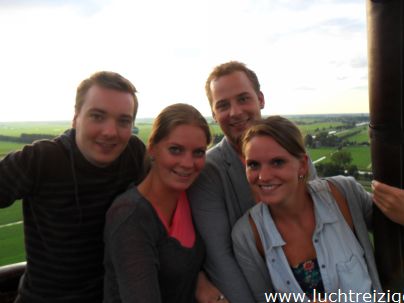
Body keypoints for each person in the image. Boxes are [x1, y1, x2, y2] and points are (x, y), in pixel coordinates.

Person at [0, 71, 148, 303]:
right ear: (76, 118)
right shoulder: (41, 159)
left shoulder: (134, 154)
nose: (110, 132)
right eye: (98, 116)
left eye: (123, 121)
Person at [232, 115, 404, 302]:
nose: (263, 176)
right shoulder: (247, 236)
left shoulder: (344, 194)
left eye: (277, 162)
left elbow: (391, 223)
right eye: (253, 165)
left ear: (303, 165)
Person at [188, 61, 316, 303]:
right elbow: (221, 258)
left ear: (260, 99)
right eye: (223, 105)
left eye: (243, 99)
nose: (235, 112)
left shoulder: (293, 152)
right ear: (214, 115)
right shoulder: (209, 172)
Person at [103, 103, 212, 303]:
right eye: (176, 150)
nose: (188, 163)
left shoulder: (188, 197)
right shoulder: (131, 216)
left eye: (198, 153)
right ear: (152, 149)